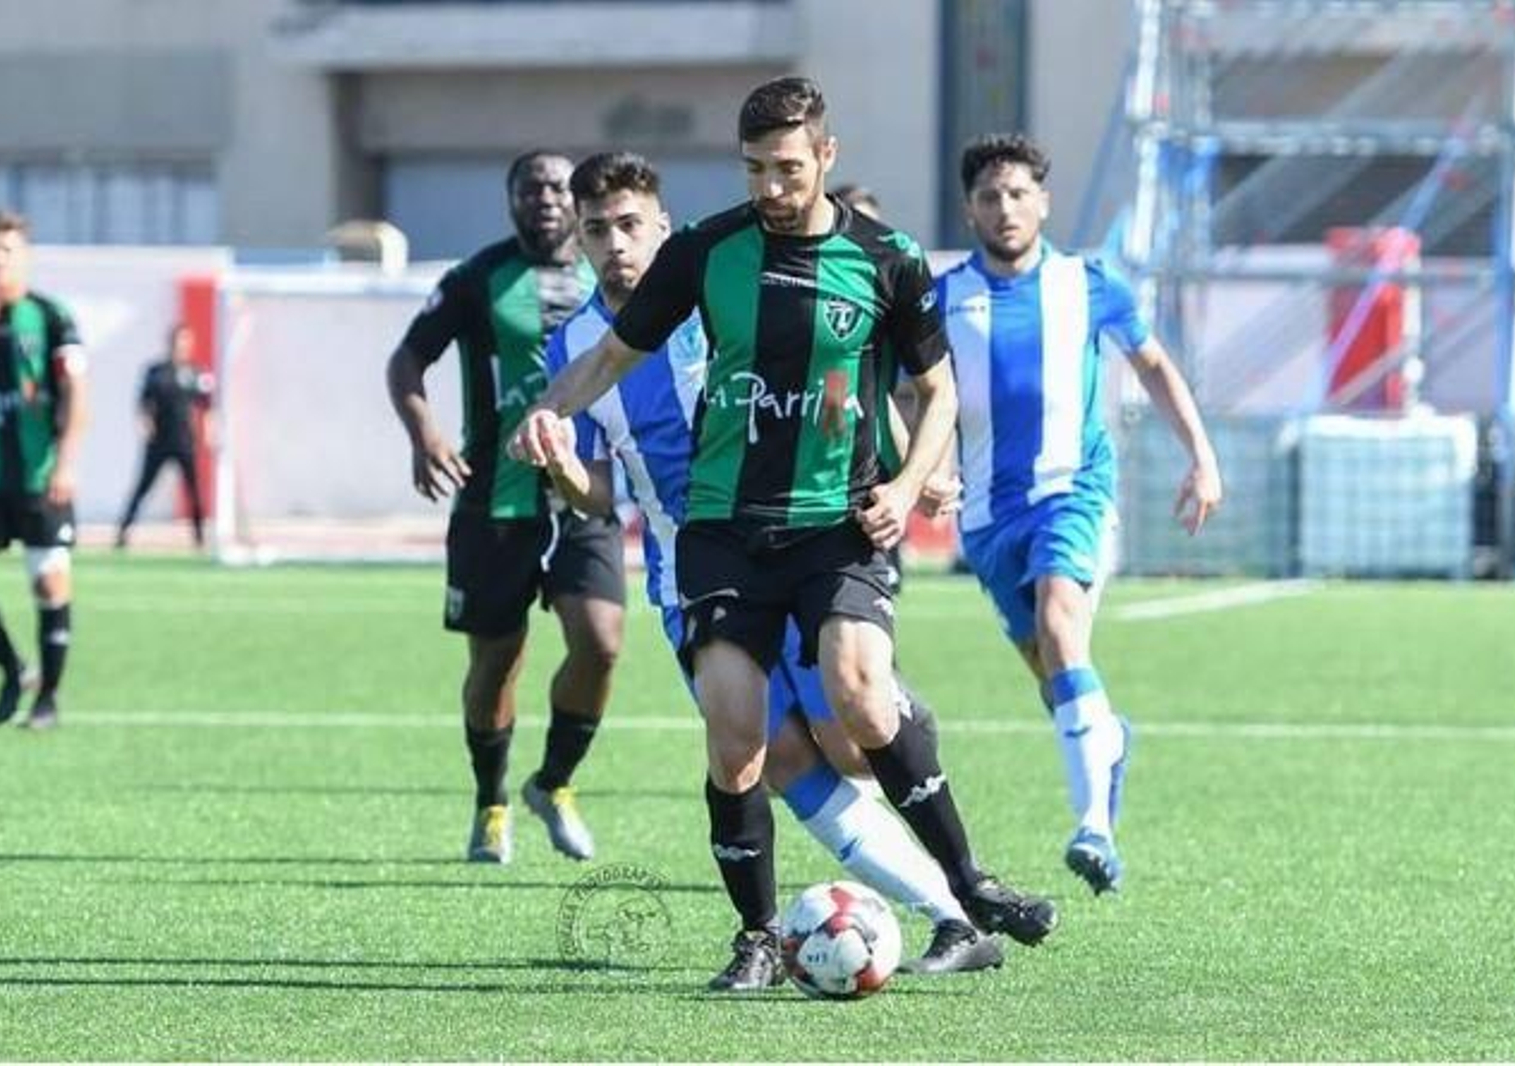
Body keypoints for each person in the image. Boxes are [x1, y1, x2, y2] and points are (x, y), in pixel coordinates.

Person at [513, 78, 1056, 992]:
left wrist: (914, 479)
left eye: (788, 169)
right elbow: (609, 362)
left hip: (835, 525)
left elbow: (926, 387)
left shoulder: (886, 258)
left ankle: (967, 887)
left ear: (827, 158)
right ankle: (761, 935)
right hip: (719, 539)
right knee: (744, 742)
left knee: (858, 699)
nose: (770, 187)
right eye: (755, 169)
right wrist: (549, 417)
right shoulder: (706, 257)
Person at [938, 133, 1223, 894]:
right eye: (991, 196)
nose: (1006, 208)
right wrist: (922, 471)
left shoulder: (1087, 284)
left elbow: (1154, 365)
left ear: (1044, 201)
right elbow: (914, 397)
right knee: (1050, 668)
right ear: (970, 208)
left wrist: (1202, 455)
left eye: (1019, 193)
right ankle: (1109, 740)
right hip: (987, 519)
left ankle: (1095, 827)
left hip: (1074, 491)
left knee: (1064, 631)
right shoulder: (944, 298)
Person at [386, 150, 626, 865]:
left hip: (584, 493)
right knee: (498, 661)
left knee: (602, 642)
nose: (546, 198)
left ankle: (553, 782)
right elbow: (407, 360)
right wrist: (425, 434)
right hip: (495, 497)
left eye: (558, 186)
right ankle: (491, 802)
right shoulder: (474, 280)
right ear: (511, 200)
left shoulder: (608, 271)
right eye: (531, 188)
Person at [0, 210, 88, 729]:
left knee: (50, 585)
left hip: (39, 477)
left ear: (24, 256)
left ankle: (47, 698)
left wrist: (66, 463)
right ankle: (13, 669)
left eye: (7, 251)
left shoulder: (52, 317)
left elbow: (77, 395)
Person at [115, 323, 212, 549]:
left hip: (185, 441)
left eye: (186, 341)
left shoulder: (196, 373)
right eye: (178, 341)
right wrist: (146, 426)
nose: (182, 346)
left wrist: (207, 431)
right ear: (170, 343)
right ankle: (122, 533)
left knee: (194, 491)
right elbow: (143, 403)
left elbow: (207, 405)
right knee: (142, 488)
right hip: (159, 441)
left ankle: (199, 539)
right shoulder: (156, 371)